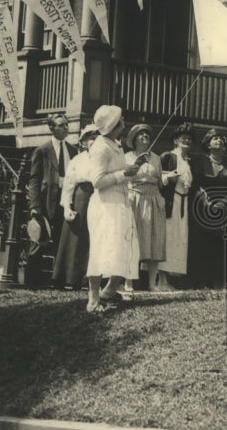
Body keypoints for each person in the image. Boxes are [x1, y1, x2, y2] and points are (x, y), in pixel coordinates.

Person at [85, 105, 140, 313]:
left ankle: (108, 292)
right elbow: (97, 181)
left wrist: (129, 173)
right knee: (101, 250)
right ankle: (93, 300)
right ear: (114, 125)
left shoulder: (115, 144)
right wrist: (124, 174)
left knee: (123, 248)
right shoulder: (100, 147)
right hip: (105, 205)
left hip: (120, 203)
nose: (124, 122)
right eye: (121, 120)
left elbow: (119, 174)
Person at [52, 124, 98, 290]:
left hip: (98, 197)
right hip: (81, 198)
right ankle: (71, 278)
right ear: (84, 142)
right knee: (76, 238)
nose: (94, 141)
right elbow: (69, 185)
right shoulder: (77, 160)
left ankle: (89, 280)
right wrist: (67, 207)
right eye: (91, 138)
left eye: (97, 138)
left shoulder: (103, 159)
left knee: (95, 238)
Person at [26, 113, 77, 264]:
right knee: (39, 239)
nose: (66, 128)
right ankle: (32, 281)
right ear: (51, 128)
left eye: (67, 125)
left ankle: (58, 280)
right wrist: (34, 205)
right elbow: (34, 179)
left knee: (61, 241)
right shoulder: (42, 151)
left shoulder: (73, 151)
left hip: (65, 201)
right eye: (61, 125)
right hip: (46, 200)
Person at [189, 128, 227, 288]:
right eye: (215, 138)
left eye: (221, 139)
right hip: (202, 208)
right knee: (202, 245)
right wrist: (205, 201)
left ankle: (218, 282)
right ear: (208, 144)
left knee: (219, 245)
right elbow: (195, 186)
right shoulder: (200, 162)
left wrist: (224, 202)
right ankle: (200, 281)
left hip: (224, 209)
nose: (219, 141)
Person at [124, 124, 166, 292]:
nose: (144, 136)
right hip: (135, 199)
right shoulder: (127, 157)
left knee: (154, 240)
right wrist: (136, 163)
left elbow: (160, 180)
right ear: (134, 139)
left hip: (154, 199)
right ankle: (128, 282)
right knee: (133, 241)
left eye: (147, 134)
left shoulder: (156, 158)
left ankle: (152, 284)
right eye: (140, 134)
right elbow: (124, 176)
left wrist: (167, 180)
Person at [158, 123, 193, 289]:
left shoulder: (187, 161)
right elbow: (158, 180)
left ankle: (169, 280)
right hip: (170, 203)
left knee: (178, 240)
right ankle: (161, 280)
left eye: (189, 138)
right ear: (175, 140)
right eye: (182, 137)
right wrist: (168, 178)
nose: (186, 140)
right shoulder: (168, 156)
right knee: (168, 239)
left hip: (182, 205)